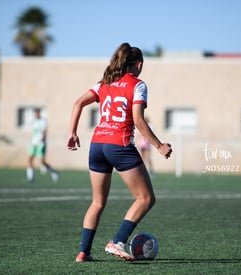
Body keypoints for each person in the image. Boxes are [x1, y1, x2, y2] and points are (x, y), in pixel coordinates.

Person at [67, 43, 172, 262]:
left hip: (97, 145)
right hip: (119, 145)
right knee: (145, 198)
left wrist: (73, 132)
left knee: (97, 202)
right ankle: (118, 241)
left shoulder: (104, 83)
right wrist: (159, 146)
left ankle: (83, 253)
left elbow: (77, 103)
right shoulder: (138, 85)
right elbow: (138, 120)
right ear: (139, 64)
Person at [27, 108, 59, 183]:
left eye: (37, 113)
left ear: (39, 113)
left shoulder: (43, 121)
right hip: (34, 143)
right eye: (35, 113)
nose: (36, 114)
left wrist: (42, 139)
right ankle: (31, 177)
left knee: (42, 162)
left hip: (41, 144)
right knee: (29, 159)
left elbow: (44, 131)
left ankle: (54, 171)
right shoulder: (33, 121)